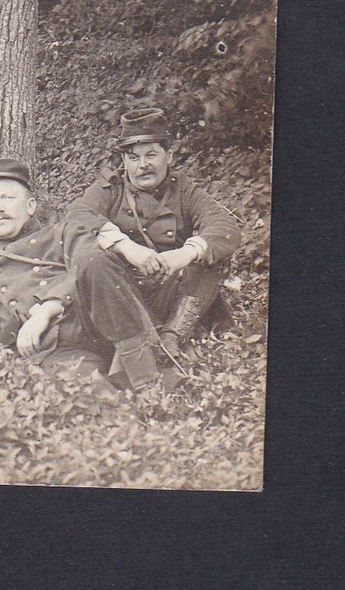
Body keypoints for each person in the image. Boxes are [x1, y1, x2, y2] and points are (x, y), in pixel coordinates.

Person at [59, 107, 244, 392]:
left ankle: (171, 339)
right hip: (122, 298)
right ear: (123, 161)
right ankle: (145, 358)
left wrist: (183, 254)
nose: (142, 165)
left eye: (151, 155)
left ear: (168, 156)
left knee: (211, 256)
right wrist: (125, 246)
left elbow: (224, 226)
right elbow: (76, 216)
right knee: (93, 259)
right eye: (133, 158)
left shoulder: (184, 189)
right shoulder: (110, 189)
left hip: (169, 292)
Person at [0, 158, 111, 378]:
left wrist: (46, 310)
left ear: (30, 206)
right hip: (13, 363)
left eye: (8, 198)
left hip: (70, 351)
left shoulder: (62, 235)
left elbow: (91, 267)